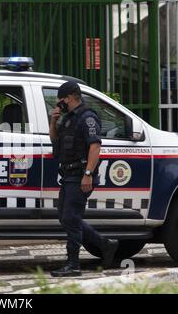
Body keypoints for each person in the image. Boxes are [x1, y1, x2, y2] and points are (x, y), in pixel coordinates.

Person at [49, 81, 119, 277]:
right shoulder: (67, 118)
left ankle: (73, 264)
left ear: (70, 97)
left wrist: (88, 174)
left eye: (60, 100)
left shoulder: (87, 117)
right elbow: (54, 140)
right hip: (68, 175)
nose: (58, 104)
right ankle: (105, 244)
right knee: (65, 217)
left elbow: (95, 146)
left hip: (80, 175)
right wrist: (53, 121)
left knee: (71, 218)